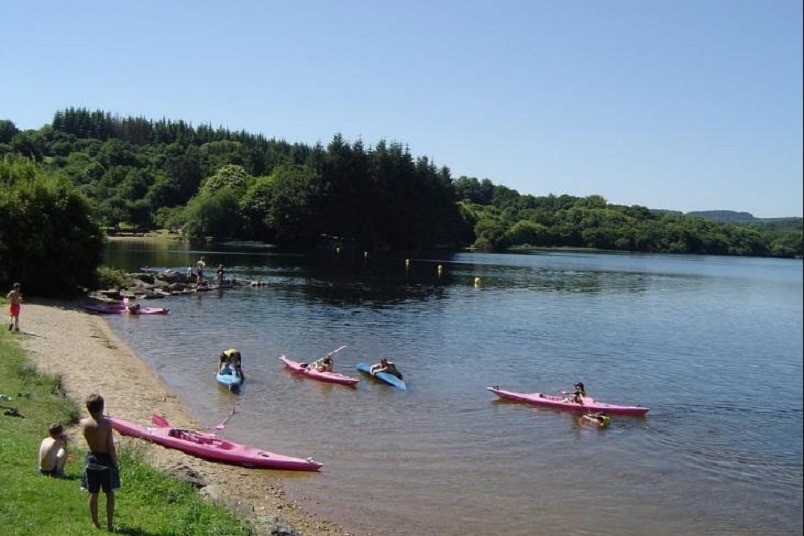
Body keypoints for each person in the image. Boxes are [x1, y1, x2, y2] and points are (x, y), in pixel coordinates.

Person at [80, 393, 119, 532]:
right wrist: (115, 463)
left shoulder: (83, 423)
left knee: (93, 493)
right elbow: (110, 447)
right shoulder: (107, 424)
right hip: (104, 460)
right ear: (102, 408)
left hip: (90, 459)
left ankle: (95, 522)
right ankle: (109, 524)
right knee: (109, 493)